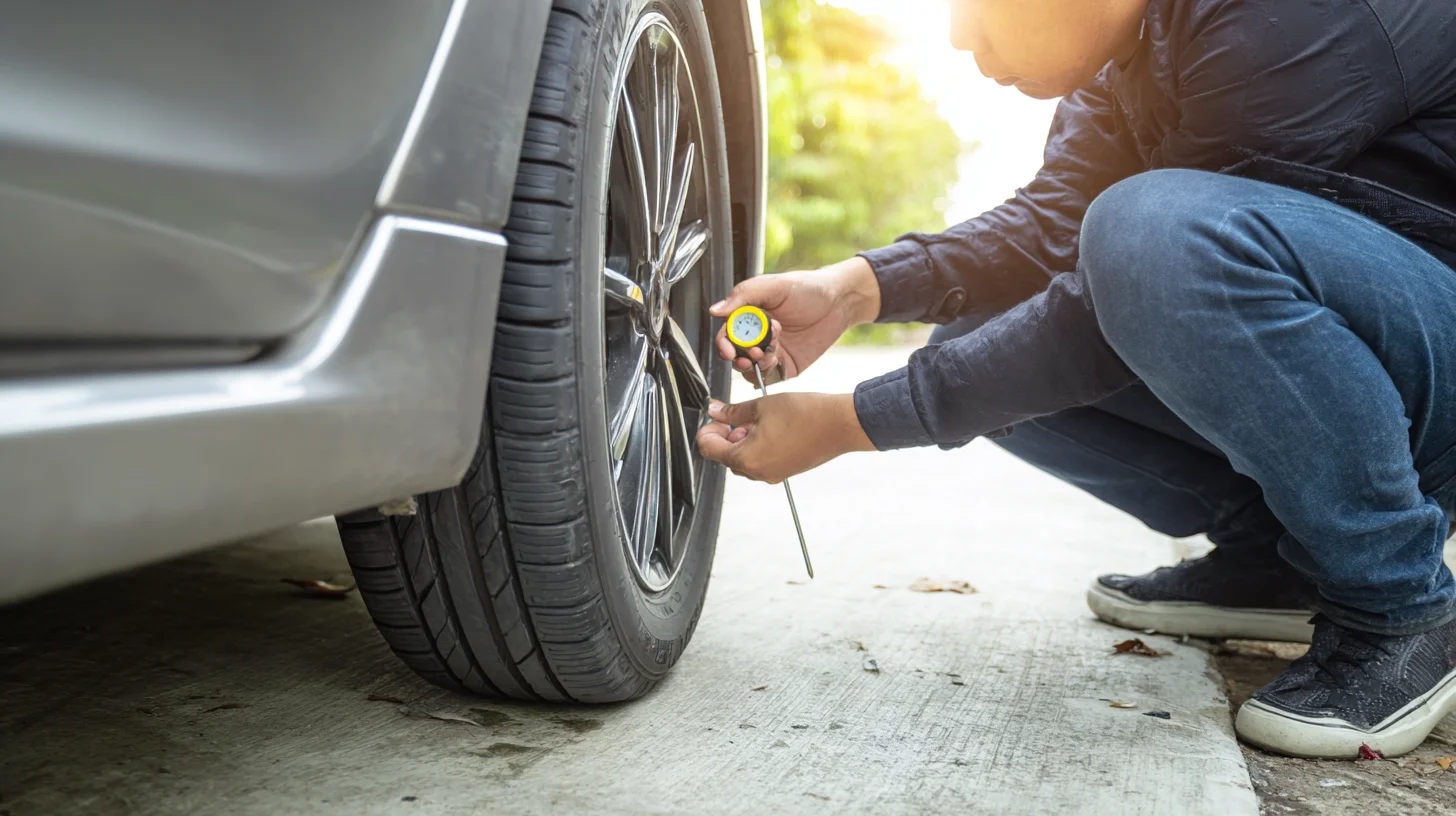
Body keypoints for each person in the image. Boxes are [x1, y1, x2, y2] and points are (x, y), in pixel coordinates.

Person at [696, 0, 1456, 759]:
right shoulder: (1123, 50)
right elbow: (1050, 229)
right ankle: (1280, 561)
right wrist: (853, 288)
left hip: (1438, 375)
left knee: (1150, 235)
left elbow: (1130, 291)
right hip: (1384, 353)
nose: (961, 36)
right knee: (984, 332)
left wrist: (850, 421)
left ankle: (1399, 605)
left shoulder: (1290, 20)